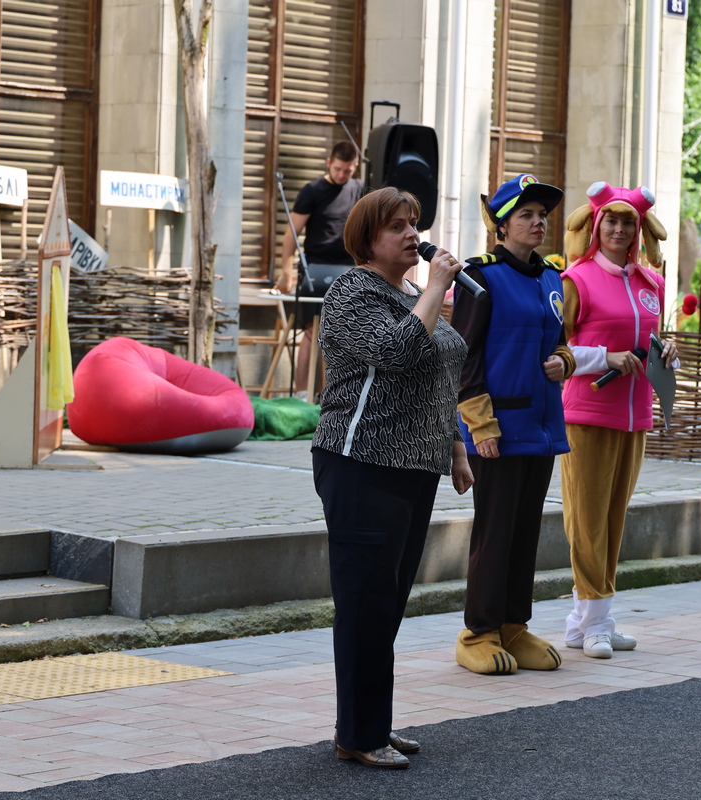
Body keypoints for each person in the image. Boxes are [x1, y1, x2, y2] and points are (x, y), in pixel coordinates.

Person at [311, 186, 473, 769]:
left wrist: (456, 446)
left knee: (388, 602)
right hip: (362, 463)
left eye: (414, 224)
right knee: (365, 603)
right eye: (397, 226)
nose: (413, 235)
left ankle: (370, 723)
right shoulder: (351, 291)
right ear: (367, 238)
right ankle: (359, 733)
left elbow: (440, 377)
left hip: (414, 467)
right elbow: (396, 352)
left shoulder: (408, 293)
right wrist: (434, 290)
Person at [450, 174, 576, 675]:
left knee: (525, 533)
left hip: (541, 427)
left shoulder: (551, 277)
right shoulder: (480, 276)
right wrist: (480, 425)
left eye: (542, 215)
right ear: (501, 226)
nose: (538, 222)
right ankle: (478, 632)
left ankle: (513, 626)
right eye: (526, 215)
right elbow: (463, 356)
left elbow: (559, 340)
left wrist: (565, 361)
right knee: (495, 533)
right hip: (498, 428)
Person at [558, 181, 677, 659]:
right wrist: (603, 358)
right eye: (612, 220)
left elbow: (651, 338)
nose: (620, 229)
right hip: (587, 413)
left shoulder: (653, 283)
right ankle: (595, 623)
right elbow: (556, 349)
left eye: (629, 222)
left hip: (635, 416)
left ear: (638, 229)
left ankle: (585, 623)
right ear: (596, 224)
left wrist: (667, 350)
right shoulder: (576, 280)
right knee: (586, 522)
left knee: (612, 520)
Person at [274, 140, 364, 400]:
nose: (342, 175)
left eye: (348, 170)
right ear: (328, 163)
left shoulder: (359, 189)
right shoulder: (312, 190)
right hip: (315, 269)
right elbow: (291, 233)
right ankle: (303, 394)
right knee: (312, 332)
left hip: (349, 269)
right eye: (338, 169)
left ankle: (336, 395)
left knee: (345, 332)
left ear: (356, 167)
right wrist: (286, 271)